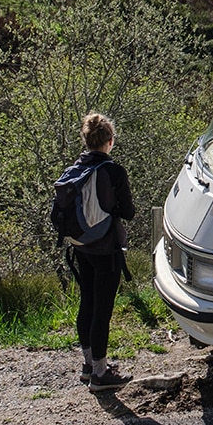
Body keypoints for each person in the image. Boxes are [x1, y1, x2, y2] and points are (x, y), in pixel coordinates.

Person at [66, 112, 136, 392]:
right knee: (102, 311)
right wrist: (114, 210)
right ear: (110, 141)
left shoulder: (76, 169)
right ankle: (101, 374)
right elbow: (129, 212)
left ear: (85, 140)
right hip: (107, 249)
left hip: (82, 246)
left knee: (88, 302)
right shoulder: (113, 171)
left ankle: (87, 365)